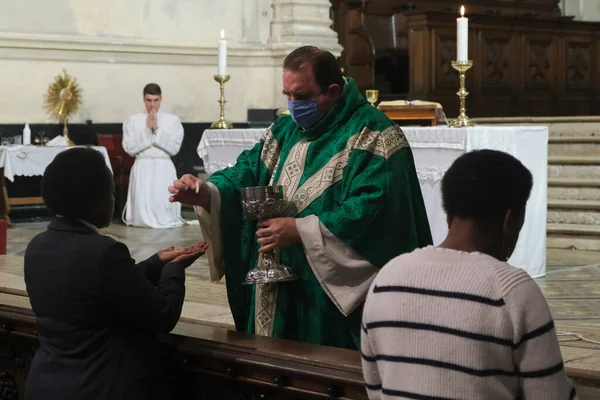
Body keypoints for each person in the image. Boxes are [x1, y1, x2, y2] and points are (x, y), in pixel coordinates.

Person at [169, 46, 432, 350]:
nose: (293, 106)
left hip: (326, 300)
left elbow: (376, 214)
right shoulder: (285, 129)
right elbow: (247, 171)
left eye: (302, 97)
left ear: (332, 91)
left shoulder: (375, 136)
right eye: (288, 96)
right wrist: (205, 192)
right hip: (275, 285)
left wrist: (301, 231)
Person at [361, 150, 577, 399]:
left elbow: (376, 391)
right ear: (509, 219)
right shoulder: (514, 291)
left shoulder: (386, 279)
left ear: (448, 211)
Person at [24, 148, 208, 400]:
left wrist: (154, 263)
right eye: (110, 192)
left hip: (45, 383)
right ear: (94, 201)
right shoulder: (104, 252)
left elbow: (100, 286)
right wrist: (174, 269)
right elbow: (162, 316)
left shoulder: (38, 245)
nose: (114, 199)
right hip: (98, 385)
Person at [122, 83, 186, 228]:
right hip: (142, 165)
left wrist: (156, 130)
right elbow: (129, 148)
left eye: (156, 100)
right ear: (144, 99)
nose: (152, 105)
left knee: (162, 203)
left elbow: (174, 148)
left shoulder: (172, 120)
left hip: (163, 165)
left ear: (161, 99)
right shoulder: (132, 120)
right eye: (149, 100)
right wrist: (146, 131)